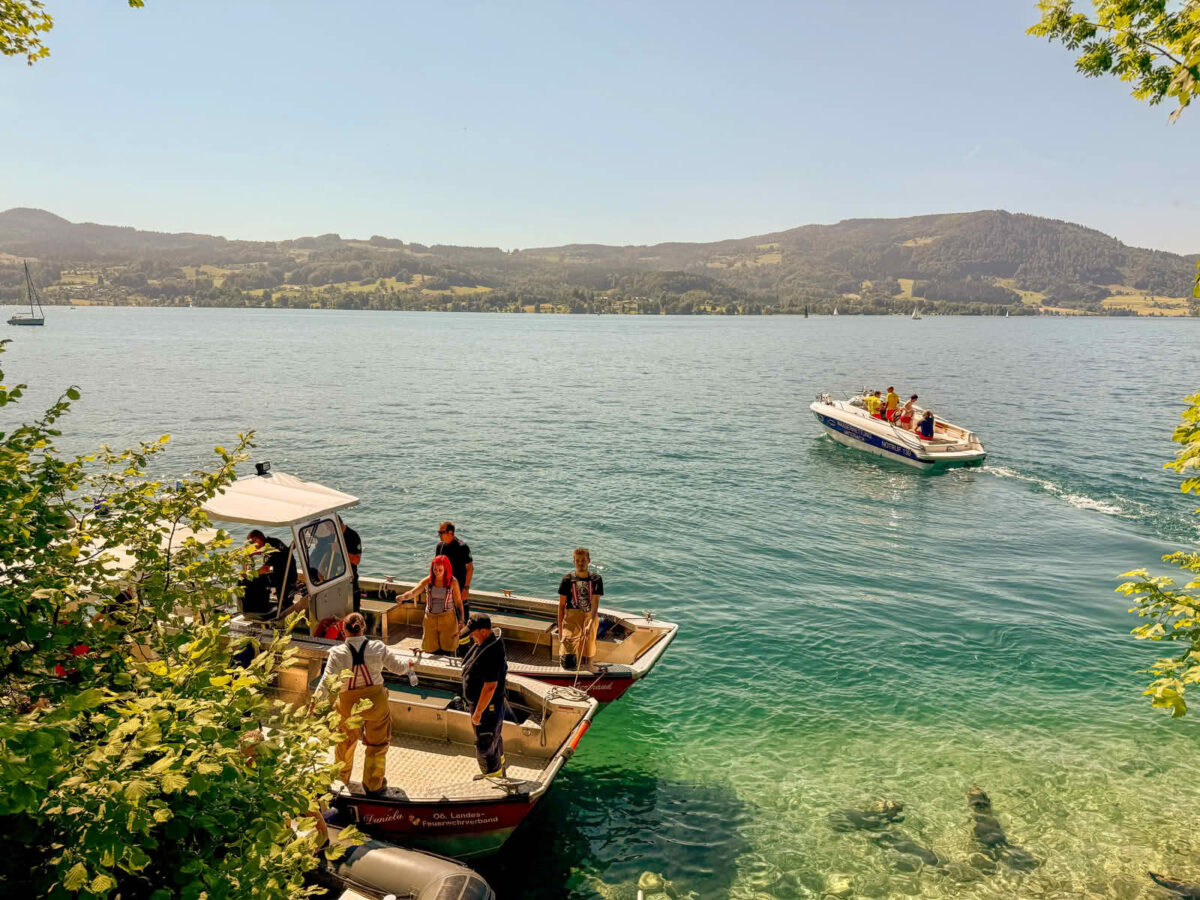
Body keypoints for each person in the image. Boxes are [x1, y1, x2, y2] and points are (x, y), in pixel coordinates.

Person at [310, 612, 415, 795]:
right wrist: (410, 663)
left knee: (344, 742)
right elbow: (398, 668)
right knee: (378, 745)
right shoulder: (377, 647)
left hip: (348, 705)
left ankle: (340, 780)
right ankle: (373, 784)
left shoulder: (337, 653)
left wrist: (314, 703)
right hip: (375, 703)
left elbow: (327, 681)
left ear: (343, 631)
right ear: (364, 627)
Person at [461, 612, 507, 779]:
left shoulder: (491, 652)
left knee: (486, 744)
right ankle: (500, 769)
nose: (471, 635)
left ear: (484, 631)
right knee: (495, 739)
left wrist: (478, 712)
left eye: (473, 632)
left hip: (488, 708)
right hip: (487, 705)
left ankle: (493, 779)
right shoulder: (485, 642)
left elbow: (490, 686)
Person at [400, 555, 464, 653]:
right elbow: (413, 592)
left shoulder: (453, 582)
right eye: (435, 569)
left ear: (445, 569)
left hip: (448, 619)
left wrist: (461, 621)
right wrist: (402, 597)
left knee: (449, 648)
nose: (437, 572)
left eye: (440, 570)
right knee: (429, 648)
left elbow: (458, 602)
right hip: (430, 619)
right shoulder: (427, 580)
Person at [557, 547, 604, 672]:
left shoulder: (596, 579)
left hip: (590, 615)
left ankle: (588, 667)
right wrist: (560, 630)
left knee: (588, 646)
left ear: (589, 560)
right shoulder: (567, 579)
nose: (580, 563)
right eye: (577, 560)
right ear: (574, 561)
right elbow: (561, 607)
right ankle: (567, 667)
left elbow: (595, 605)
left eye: (583, 560)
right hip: (571, 616)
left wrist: (589, 624)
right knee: (568, 649)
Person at [242, 529, 291, 615]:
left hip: (285, 576)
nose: (252, 546)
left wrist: (248, 575)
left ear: (258, 539)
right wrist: (251, 554)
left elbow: (265, 569)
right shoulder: (272, 542)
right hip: (286, 572)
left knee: (254, 581)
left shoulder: (270, 547)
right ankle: (260, 606)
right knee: (257, 579)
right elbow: (263, 551)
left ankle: (258, 608)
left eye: (252, 543)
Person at [338, 516, 363, 612]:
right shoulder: (333, 536)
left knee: (353, 612)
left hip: (350, 581)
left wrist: (341, 551)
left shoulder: (353, 536)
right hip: (336, 581)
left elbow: (357, 560)